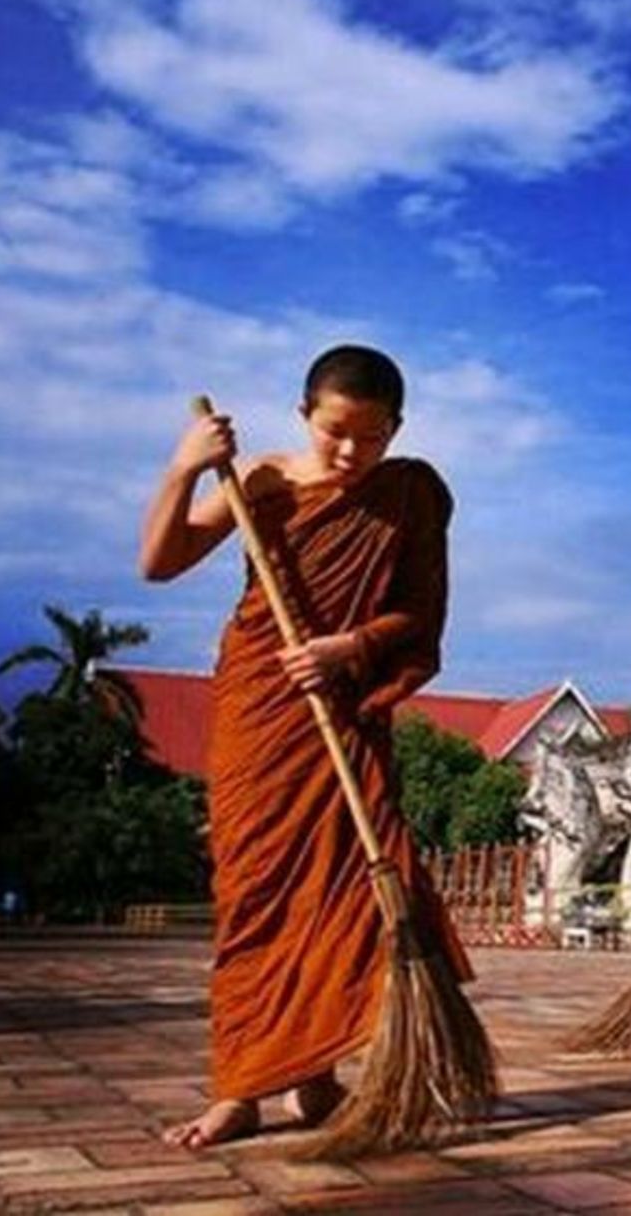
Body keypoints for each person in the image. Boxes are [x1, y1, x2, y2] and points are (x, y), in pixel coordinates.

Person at [139, 344, 465, 1148]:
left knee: (346, 889)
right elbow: (159, 562)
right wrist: (184, 470)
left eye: (374, 436)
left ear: (398, 428)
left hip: (342, 705)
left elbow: (419, 617)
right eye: (335, 434)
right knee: (254, 889)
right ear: (303, 417)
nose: (354, 453)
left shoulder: (409, 495)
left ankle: (315, 1074)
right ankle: (240, 1088)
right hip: (261, 699)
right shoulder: (263, 482)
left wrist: (349, 647)